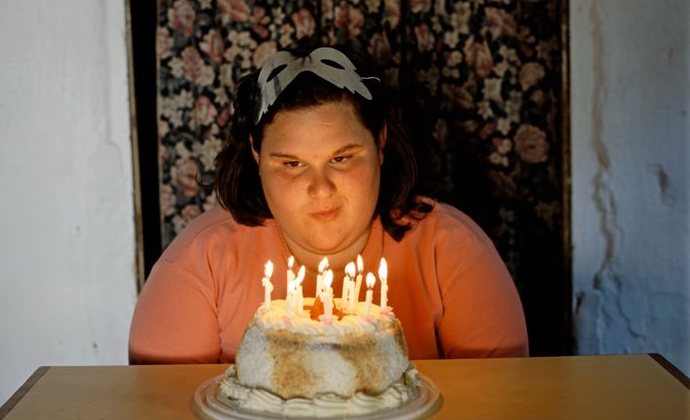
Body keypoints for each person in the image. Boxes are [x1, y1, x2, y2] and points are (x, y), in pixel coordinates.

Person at [129, 38, 528, 363]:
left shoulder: (453, 252)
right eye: (292, 163)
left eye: (341, 158)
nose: (321, 189)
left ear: (381, 142)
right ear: (256, 154)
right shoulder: (201, 263)